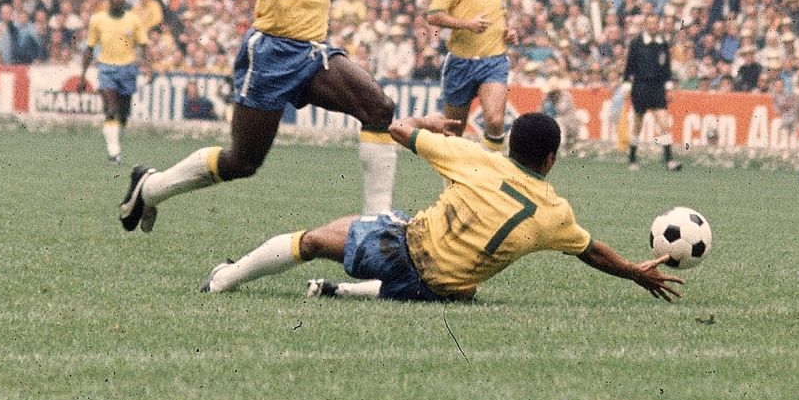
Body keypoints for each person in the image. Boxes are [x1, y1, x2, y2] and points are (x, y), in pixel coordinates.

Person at [119, 0, 400, 233]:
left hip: (313, 53)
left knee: (378, 108)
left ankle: (375, 226)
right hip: (274, 53)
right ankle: (150, 188)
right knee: (243, 162)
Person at [201, 112, 684, 303]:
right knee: (463, 287)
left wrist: (425, 122)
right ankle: (339, 292)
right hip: (445, 288)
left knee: (315, 238)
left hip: (402, 252)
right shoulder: (555, 214)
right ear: (552, 159)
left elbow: (398, 131)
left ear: (511, 142)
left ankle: (224, 279)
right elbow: (592, 251)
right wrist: (635, 273)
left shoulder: (474, 154)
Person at [426, 0, 517, 152]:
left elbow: (502, 18)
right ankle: (453, 182)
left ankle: (486, 176)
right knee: (454, 130)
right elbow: (433, 16)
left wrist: (508, 33)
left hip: (493, 61)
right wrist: (467, 24)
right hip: (460, 62)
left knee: (495, 121)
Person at [78, 0, 149, 163]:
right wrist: (82, 75)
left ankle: (116, 144)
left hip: (128, 69)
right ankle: (113, 152)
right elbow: (89, 48)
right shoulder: (98, 20)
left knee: (123, 114)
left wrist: (148, 67)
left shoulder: (133, 20)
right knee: (110, 110)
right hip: (106, 68)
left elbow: (143, 45)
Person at [623, 12, 679, 171]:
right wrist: (627, 87)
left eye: (656, 23)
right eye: (650, 23)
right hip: (640, 87)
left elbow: (667, 69)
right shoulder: (636, 43)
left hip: (657, 88)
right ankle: (632, 158)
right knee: (637, 124)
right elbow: (629, 68)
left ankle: (669, 160)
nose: (653, 26)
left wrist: (668, 88)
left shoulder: (663, 44)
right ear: (645, 25)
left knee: (664, 123)